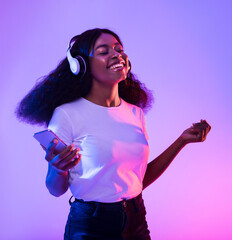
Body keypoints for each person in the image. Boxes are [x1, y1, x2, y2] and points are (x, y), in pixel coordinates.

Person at [16, 28, 211, 240]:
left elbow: (138, 180)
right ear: (80, 65)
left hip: (136, 221)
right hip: (91, 225)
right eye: (103, 51)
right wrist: (58, 168)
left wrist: (181, 141)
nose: (116, 55)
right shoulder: (67, 115)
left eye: (119, 49)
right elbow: (55, 189)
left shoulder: (135, 113)